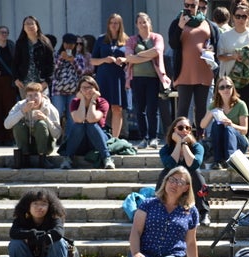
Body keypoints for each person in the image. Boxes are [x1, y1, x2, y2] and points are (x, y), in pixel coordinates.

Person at [168, 0, 220, 139]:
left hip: (204, 72)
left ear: (198, 6)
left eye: (193, 5)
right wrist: (180, 26)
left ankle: (200, 140)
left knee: (202, 109)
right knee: (183, 109)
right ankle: (180, 139)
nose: (190, 8)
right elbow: (173, 44)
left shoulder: (209, 24)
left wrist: (212, 50)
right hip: (184, 73)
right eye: (187, 5)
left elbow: (216, 45)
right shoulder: (177, 22)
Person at [125, 12, 172, 150]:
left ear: (149, 23)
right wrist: (145, 55)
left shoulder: (156, 37)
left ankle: (153, 137)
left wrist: (138, 55)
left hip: (153, 78)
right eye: (139, 22)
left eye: (144, 22)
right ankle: (143, 137)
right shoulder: (132, 40)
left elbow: (157, 51)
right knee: (140, 109)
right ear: (136, 25)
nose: (142, 25)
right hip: (137, 78)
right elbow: (129, 57)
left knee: (152, 109)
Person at [217, 2, 249, 138]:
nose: (241, 19)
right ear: (233, 17)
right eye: (238, 16)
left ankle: (247, 138)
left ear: (248, 18)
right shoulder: (225, 36)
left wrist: (245, 52)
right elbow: (220, 56)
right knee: (228, 107)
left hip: (248, 78)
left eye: (244, 16)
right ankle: (228, 137)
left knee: (247, 108)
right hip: (230, 79)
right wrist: (234, 56)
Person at [8, 188, 72, 257]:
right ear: (28, 206)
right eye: (35, 204)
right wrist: (33, 233)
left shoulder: (54, 218)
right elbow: (13, 233)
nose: (39, 207)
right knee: (15, 244)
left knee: (59, 243)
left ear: (49, 206)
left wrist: (30, 239)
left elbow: (58, 233)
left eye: (43, 204)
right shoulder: (22, 219)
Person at [157, 117, 211, 226]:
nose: (184, 130)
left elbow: (194, 164)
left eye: (188, 128)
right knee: (164, 173)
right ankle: (158, 208)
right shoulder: (166, 149)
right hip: (174, 179)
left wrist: (185, 144)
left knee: (196, 173)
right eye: (180, 128)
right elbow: (170, 164)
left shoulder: (197, 147)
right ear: (174, 130)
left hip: (189, 179)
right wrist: (178, 144)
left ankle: (204, 212)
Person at [59, 75, 115, 169]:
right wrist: (82, 101)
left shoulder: (102, 102)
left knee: (91, 124)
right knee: (79, 125)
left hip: (98, 139)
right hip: (80, 141)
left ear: (96, 89)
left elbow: (92, 119)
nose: (87, 90)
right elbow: (79, 119)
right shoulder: (75, 102)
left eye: (90, 87)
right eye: (83, 88)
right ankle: (68, 158)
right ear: (79, 90)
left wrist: (93, 100)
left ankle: (106, 158)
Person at [4, 82, 61, 169]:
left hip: (46, 146)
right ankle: (25, 158)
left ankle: (43, 160)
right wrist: (22, 112)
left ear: (41, 95)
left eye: (36, 95)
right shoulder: (20, 105)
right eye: (30, 95)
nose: (33, 98)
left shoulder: (50, 108)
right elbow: (7, 125)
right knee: (19, 125)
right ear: (26, 97)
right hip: (27, 146)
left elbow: (57, 134)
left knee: (41, 124)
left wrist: (46, 119)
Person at [91, 13, 128, 138]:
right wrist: (104, 60)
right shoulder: (101, 39)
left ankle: (115, 139)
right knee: (101, 106)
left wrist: (123, 60)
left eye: (116, 23)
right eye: (111, 22)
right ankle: (100, 137)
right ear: (108, 24)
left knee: (117, 108)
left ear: (120, 25)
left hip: (118, 78)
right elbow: (92, 60)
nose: (113, 25)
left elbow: (132, 59)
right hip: (103, 77)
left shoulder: (126, 40)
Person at [200, 76, 249, 170]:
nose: (225, 89)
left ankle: (232, 162)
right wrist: (211, 112)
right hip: (221, 143)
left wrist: (232, 124)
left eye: (228, 86)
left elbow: (245, 130)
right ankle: (217, 161)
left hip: (239, 144)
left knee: (228, 128)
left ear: (233, 88)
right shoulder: (214, 105)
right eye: (222, 87)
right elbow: (202, 125)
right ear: (218, 90)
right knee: (217, 125)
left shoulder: (240, 104)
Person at [52, 33, 86, 138]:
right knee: (56, 113)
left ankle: (69, 138)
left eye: (71, 44)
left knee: (72, 115)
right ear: (63, 43)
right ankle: (55, 137)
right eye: (67, 44)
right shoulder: (56, 55)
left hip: (73, 90)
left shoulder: (79, 57)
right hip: (58, 90)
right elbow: (52, 72)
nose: (69, 46)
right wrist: (61, 59)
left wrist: (73, 61)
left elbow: (82, 73)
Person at [12, 16, 54, 99]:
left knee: (42, 107)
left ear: (37, 26)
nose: (30, 26)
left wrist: (47, 81)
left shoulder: (45, 42)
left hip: (41, 83)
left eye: (32, 23)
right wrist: (16, 79)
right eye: (27, 24)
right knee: (27, 108)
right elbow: (15, 62)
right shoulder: (20, 43)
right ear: (24, 28)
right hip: (24, 83)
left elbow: (51, 63)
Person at [0, 25, 17, 146]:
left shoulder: (11, 46)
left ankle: (10, 137)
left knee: (10, 110)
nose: (4, 35)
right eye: (2, 32)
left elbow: (17, 63)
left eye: (6, 33)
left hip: (9, 83)